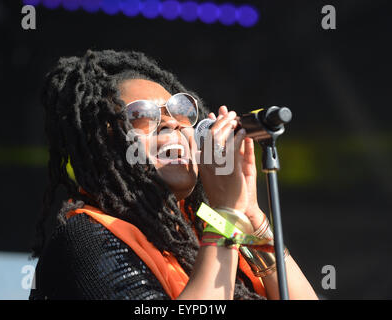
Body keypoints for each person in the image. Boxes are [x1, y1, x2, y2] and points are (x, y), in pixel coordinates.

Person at [29, 49, 317, 300]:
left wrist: (251, 217)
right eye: (143, 114)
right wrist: (227, 213)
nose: (172, 124)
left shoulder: (208, 227)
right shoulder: (85, 238)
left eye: (181, 112)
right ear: (102, 143)